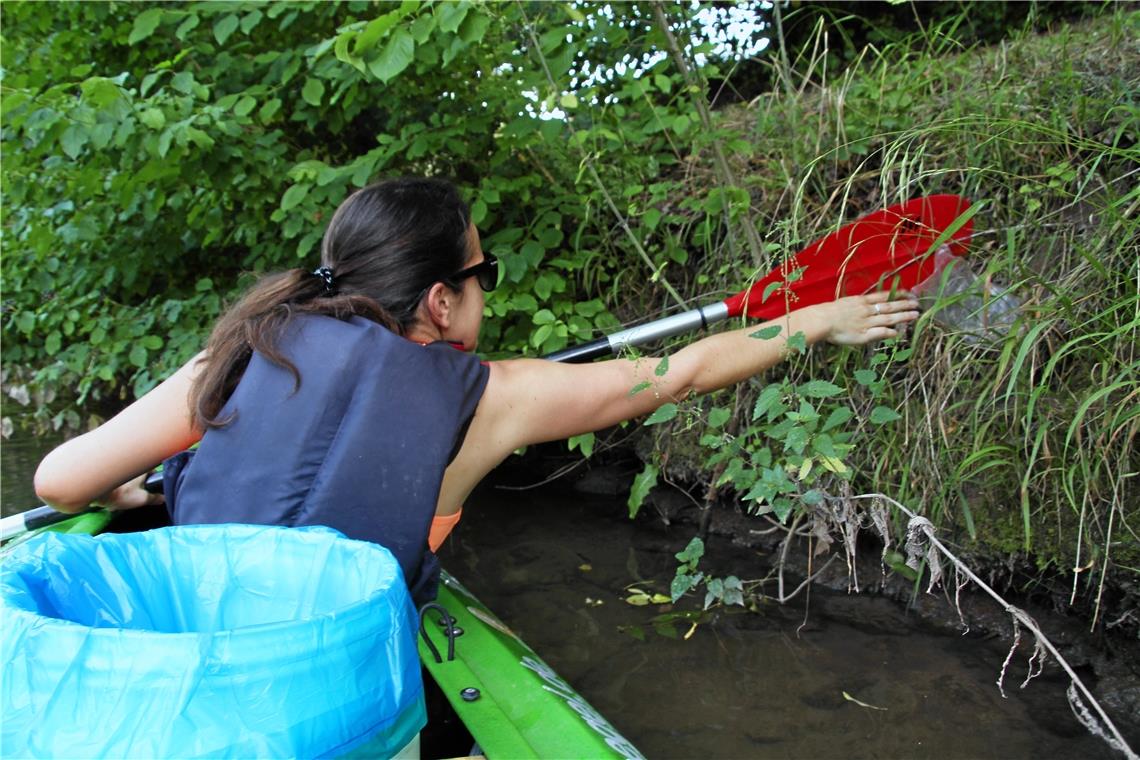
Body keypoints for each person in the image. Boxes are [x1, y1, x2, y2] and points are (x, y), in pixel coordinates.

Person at [34, 177, 920, 602]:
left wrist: (142, 487)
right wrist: (819, 321)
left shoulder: (237, 350)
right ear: (440, 299)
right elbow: (678, 371)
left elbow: (57, 485)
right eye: (482, 269)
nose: (486, 288)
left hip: (185, 634)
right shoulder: (496, 398)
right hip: (328, 680)